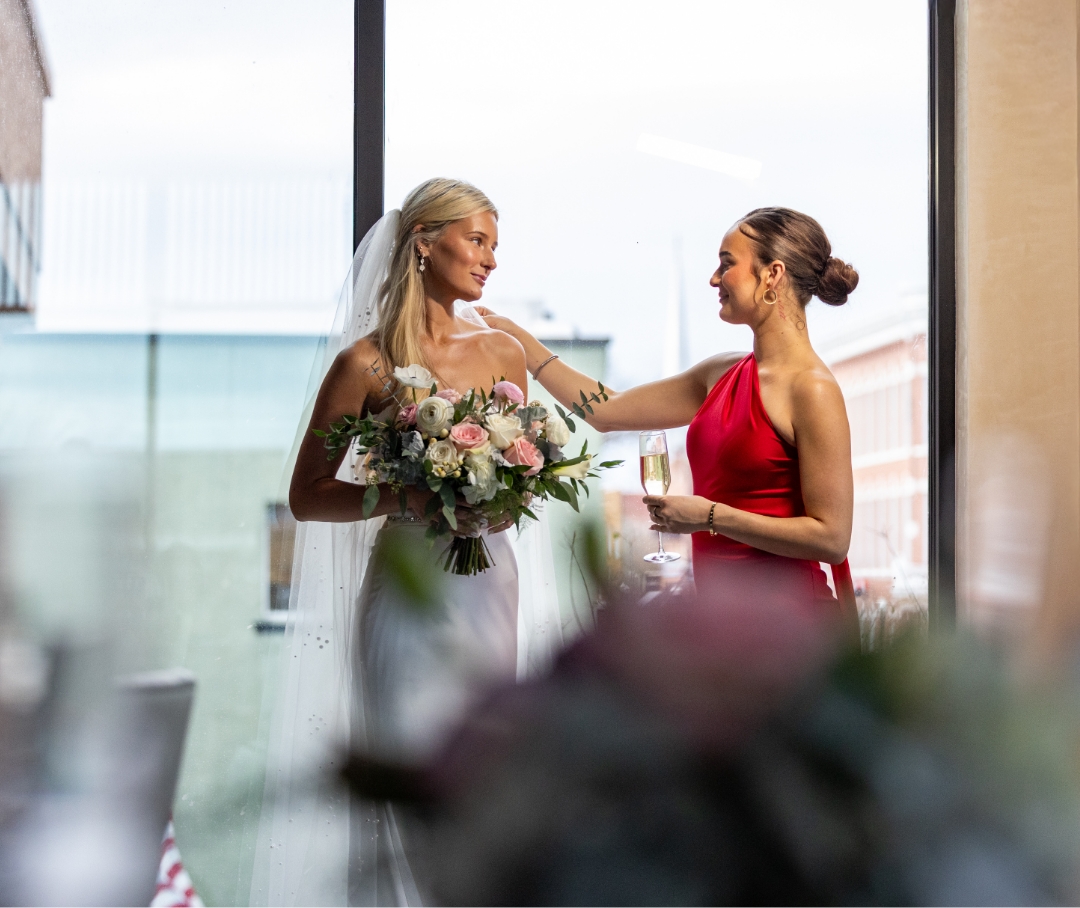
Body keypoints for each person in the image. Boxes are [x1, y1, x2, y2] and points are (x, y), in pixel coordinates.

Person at [251, 179, 562, 907]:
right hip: (406, 588)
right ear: (424, 241)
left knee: (480, 778)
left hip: (486, 584)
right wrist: (405, 493)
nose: (489, 261)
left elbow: (520, 489)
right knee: (406, 775)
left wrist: (495, 499)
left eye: (494, 246)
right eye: (476, 240)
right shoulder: (364, 363)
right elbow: (306, 496)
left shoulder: (502, 353)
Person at [480, 207, 859, 626]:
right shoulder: (720, 374)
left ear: (772, 275)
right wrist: (519, 341)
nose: (715, 279)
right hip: (721, 619)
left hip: (791, 623)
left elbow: (832, 538)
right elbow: (605, 411)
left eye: (727, 264)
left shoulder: (813, 389)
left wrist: (708, 517)